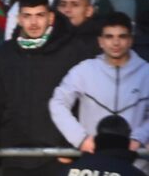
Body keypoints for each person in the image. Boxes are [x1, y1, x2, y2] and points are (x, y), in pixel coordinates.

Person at [0, 0, 93, 176]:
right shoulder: (6, 53)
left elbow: (85, 103)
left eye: (40, 15)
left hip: (59, 158)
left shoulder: (73, 50)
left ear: (51, 17)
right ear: (19, 19)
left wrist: (71, 147)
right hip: (14, 159)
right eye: (27, 16)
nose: (33, 22)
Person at [49, 12, 149, 153]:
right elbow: (58, 102)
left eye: (122, 36)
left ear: (130, 40)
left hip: (135, 160)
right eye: (109, 36)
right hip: (94, 158)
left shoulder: (145, 72)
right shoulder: (84, 70)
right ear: (100, 41)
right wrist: (80, 138)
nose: (116, 43)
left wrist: (140, 138)